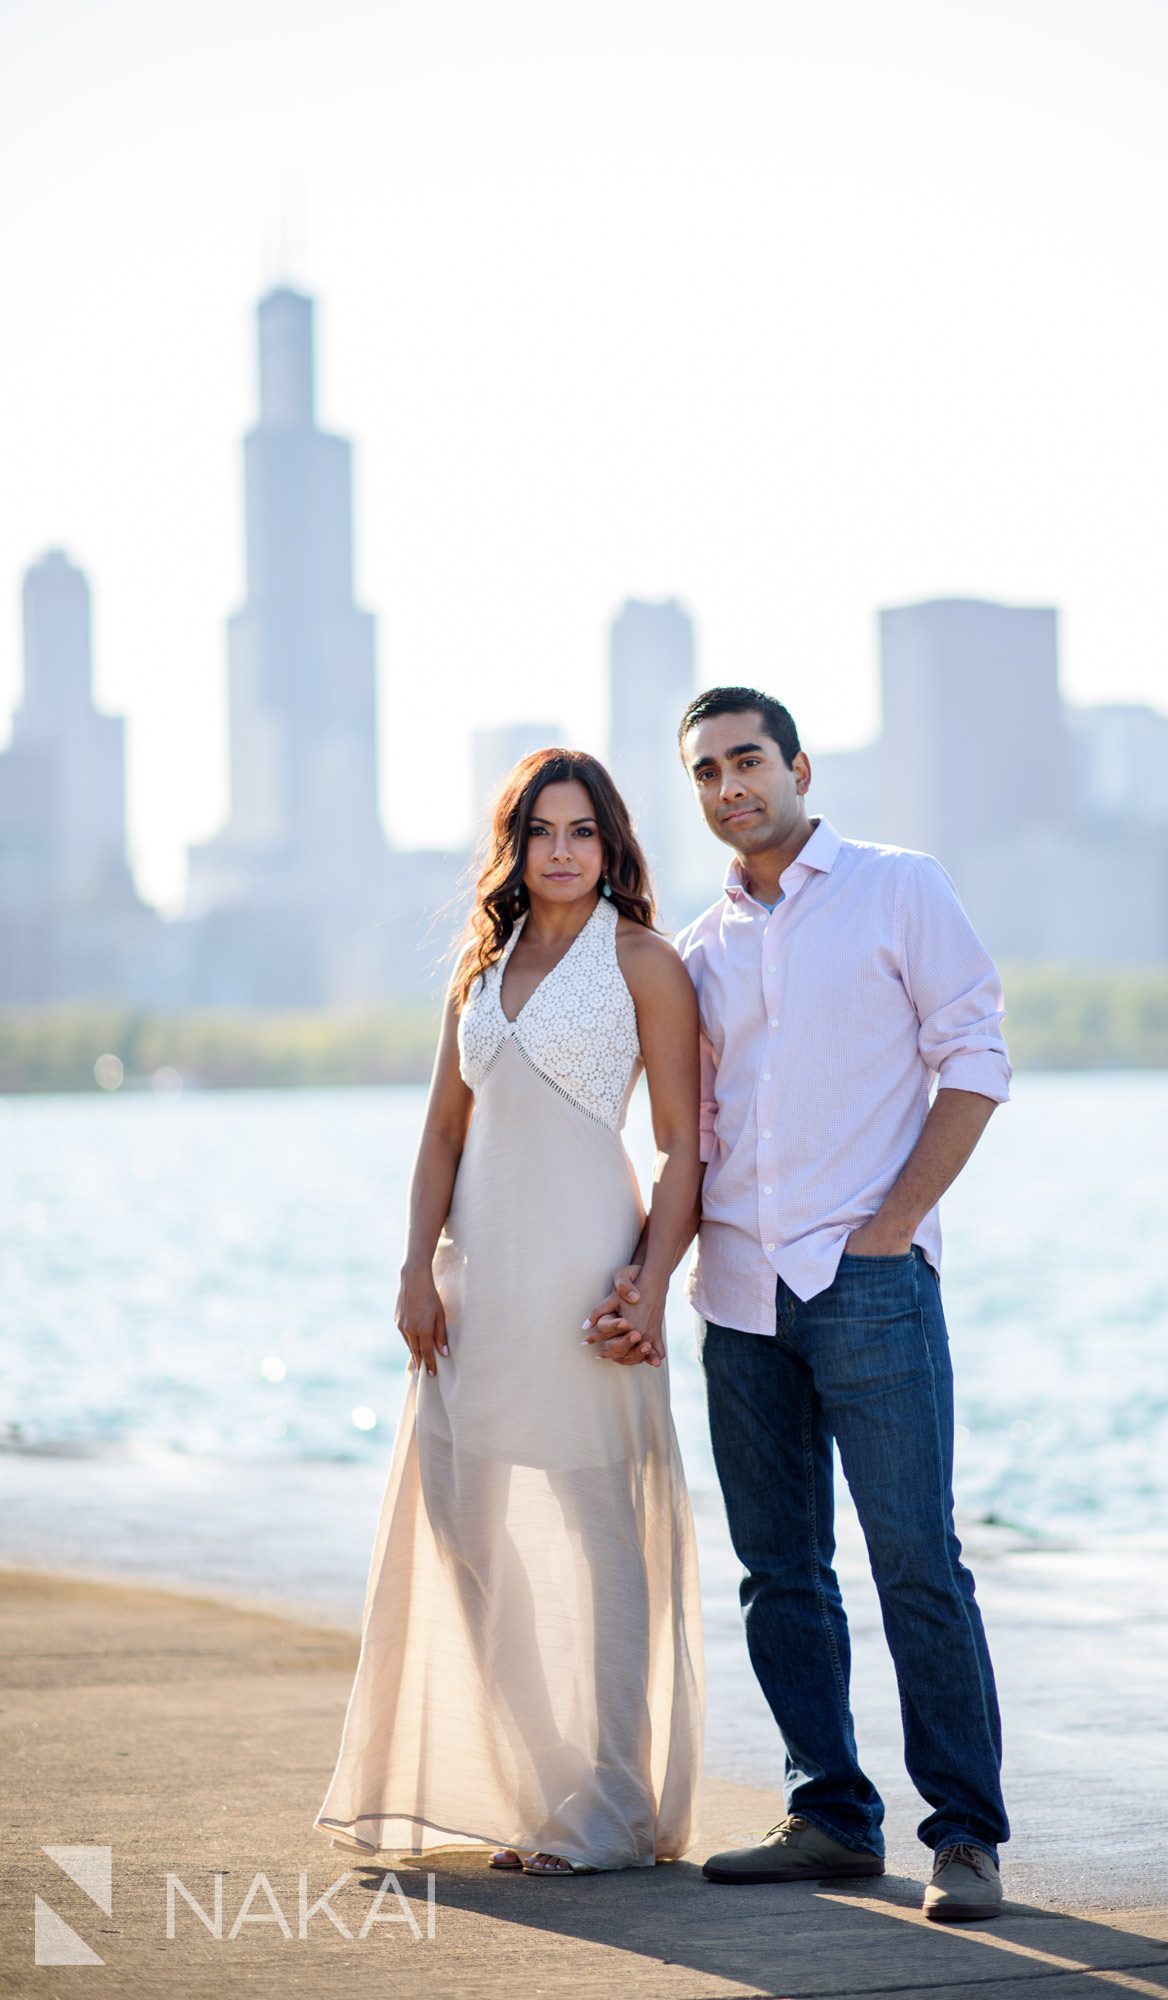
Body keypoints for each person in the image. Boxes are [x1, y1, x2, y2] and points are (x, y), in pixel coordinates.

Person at [584, 687, 1012, 1920]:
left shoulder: (898, 886)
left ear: (798, 765)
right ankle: (828, 1814)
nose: (731, 785)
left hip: (869, 1286)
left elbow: (976, 1056)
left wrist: (892, 1230)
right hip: (738, 1295)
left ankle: (967, 1837)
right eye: (708, 771)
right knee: (780, 1571)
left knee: (917, 1561)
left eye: (748, 759)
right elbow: (690, 1133)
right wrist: (656, 1278)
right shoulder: (701, 946)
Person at [314, 749, 705, 1876]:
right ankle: (547, 1779)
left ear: (612, 843)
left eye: (584, 830)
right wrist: (411, 1268)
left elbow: (682, 1143)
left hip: (588, 1279)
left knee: (600, 1532)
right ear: (515, 845)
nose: (564, 850)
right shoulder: (477, 970)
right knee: (464, 1518)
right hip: (473, 1281)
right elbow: (443, 1132)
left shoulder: (644, 961)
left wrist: (649, 1281)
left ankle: (612, 1808)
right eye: (543, 830)